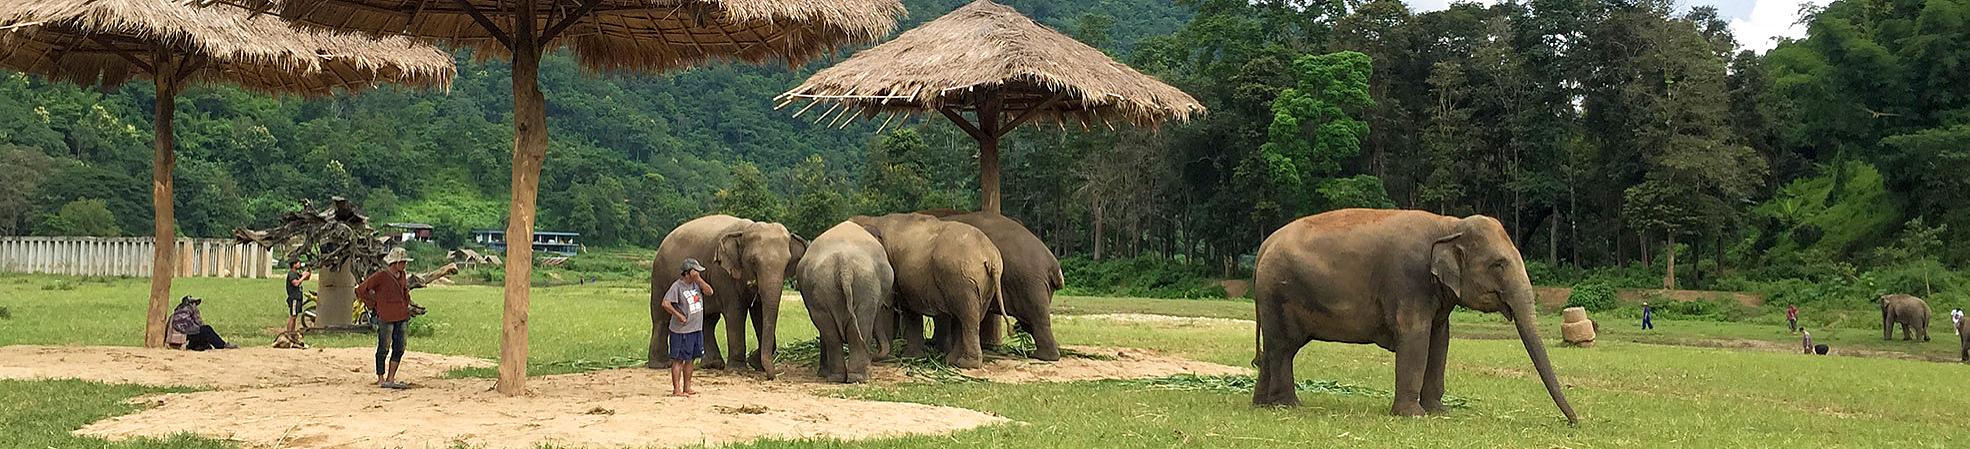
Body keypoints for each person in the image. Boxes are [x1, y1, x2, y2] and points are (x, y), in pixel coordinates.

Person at [356, 248, 417, 390]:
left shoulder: (402, 275)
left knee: (400, 347)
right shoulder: (381, 276)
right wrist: (374, 304)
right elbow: (361, 289)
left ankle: (391, 377)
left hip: (401, 315)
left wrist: (406, 304)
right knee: (384, 346)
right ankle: (381, 378)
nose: (404, 264)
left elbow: (404, 292)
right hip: (386, 315)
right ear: (395, 262)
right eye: (402, 262)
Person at [661, 258, 715, 397]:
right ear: (688, 272)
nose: (697, 273)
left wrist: (699, 279)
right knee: (679, 360)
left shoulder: (697, 285)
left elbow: (709, 292)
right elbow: (666, 303)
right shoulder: (677, 287)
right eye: (695, 271)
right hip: (681, 331)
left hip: (696, 329)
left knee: (691, 359)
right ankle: (676, 389)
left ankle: (687, 387)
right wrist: (678, 315)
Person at [170, 296, 235, 351]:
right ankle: (222, 345)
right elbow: (198, 324)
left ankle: (198, 346)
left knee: (201, 332)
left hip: (177, 336)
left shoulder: (178, 311)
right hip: (185, 335)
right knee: (207, 329)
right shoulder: (189, 309)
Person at [284, 260, 311, 333]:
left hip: (298, 297)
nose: (299, 264)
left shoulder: (296, 273)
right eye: (298, 263)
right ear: (294, 264)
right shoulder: (291, 273)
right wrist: (303, 276)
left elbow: (307, 278)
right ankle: (289, 333)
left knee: (295, 316)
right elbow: (296, 283)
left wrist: (308, 270)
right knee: (293, 316)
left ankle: (292, 332)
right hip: (294, 298)